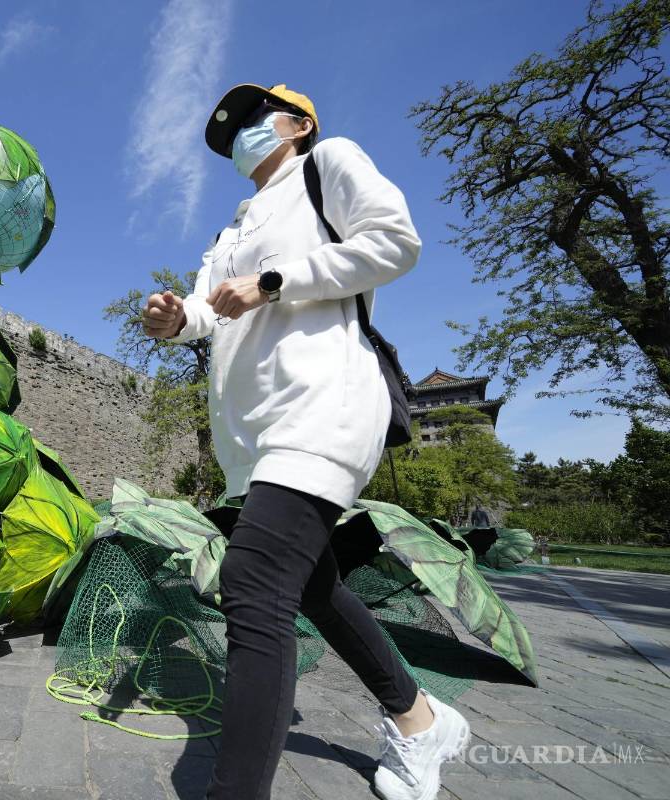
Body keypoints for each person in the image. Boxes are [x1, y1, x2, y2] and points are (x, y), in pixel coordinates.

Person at [141, 83, 470, 800]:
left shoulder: (330, 165)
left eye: (256, 118)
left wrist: (273, 281)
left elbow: (394, 243)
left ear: (300, 125)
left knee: (253, 583)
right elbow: (207, 309)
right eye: (232, 134)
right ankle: (420, 720)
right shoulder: (230, 229)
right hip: (253, 435)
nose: (243, 136)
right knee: (314, 586)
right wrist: (176, 317)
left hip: (323, 406)